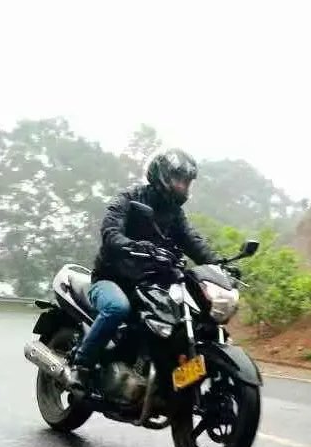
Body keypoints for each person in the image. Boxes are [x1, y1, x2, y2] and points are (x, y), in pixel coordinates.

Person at [67, 148, 218, 390]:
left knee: (180, 317)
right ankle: (81, 365)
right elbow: (110, 232)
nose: (183, 186)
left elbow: (192, 241)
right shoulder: (128, 199)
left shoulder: (175, 213)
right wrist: (133, 245)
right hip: (112, 279)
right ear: (163, 176)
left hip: (152, 283)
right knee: (117, 308)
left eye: (187, 182)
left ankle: (164, 380)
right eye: (179, 180)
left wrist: (217, 264)